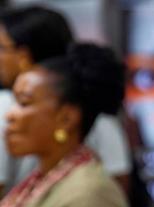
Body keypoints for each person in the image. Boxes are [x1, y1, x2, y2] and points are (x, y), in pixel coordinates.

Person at [0, 6, 131, 196]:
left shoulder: (4, 104)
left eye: (2, 48)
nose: (10, 116)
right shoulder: (99, 112)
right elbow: (119, 183)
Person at [0, 43, 130, 207]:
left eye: (24, 102)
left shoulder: (91, 194)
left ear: (66, 118)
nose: (10, 115)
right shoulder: (38, 182)